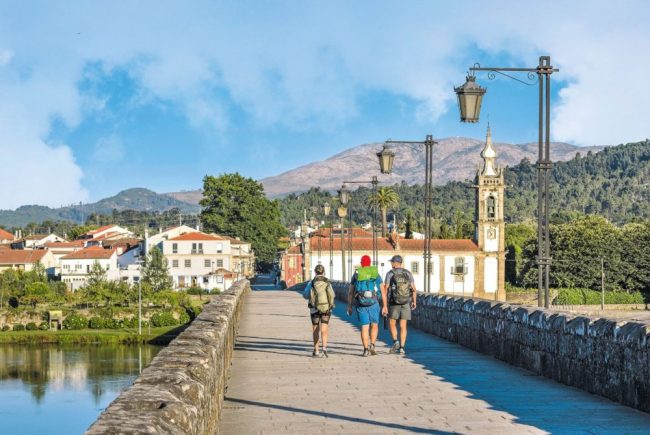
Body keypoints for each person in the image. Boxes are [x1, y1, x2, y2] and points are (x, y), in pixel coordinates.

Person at [347, 254, 382, 357]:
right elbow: (382, 290)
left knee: (364, 327)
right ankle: (372, 345)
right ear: (370, 263)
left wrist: (349, 306)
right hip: (374, 303)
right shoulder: (375, 273)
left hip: (361, 304)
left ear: (361, 263)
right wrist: (385, 305)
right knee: (374, 325)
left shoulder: (357, 274)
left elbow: (351, 292)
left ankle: (366, 349)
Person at [381, 255, 416, 354]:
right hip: (406, 302)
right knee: (403, 325)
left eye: (392, 262)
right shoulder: (408, 273)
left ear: (395, 263)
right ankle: (402, 348)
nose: (391, 263)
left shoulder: (390, 273)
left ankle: (396, 341)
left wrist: (384, 305)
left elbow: (385, 289)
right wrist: (414, 301)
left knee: (392, 323)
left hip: (394, 302)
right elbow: (414, 289)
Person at [302, 264, 335, 357]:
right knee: (324, 328)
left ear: (315, 272)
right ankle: (324, 348)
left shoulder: (312, 282)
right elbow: (332, 295)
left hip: (314, 308)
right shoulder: (327, 282)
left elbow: (305, 295)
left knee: (315, 329)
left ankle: (316, 350)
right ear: (324, 272)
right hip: (326, 308)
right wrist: (331, 305)